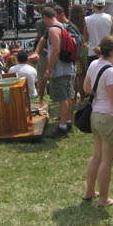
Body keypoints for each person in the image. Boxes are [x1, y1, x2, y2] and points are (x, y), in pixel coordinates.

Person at [83, 37, 113, 207]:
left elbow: (86, 88)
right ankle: (103, 198)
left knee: (96, 156)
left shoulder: (94, 64)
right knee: (106, 161)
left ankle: (89, 191)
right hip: (108, 117)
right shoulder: (111, 72)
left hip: (95, 114)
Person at [38, 7, 76, 137]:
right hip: (68, 67)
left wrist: (49, 68)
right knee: (69, 96)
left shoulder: (53, 30)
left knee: (63, 98)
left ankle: (62, 126)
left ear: (45, 17)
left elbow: (55, 50)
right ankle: (68, 121)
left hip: (60, 69)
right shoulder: (63, 27)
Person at [84, 0, 113, 65]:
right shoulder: (109, 18)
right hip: (106, 52)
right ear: (104, 6)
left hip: (92, 51)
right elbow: (111, 35)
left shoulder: (87, 19)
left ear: (93, 6)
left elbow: (85, 37)